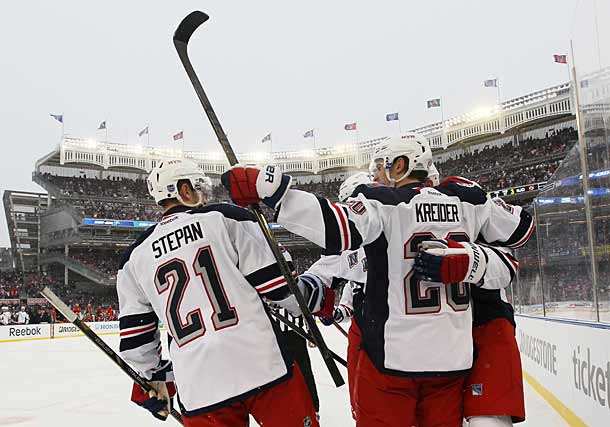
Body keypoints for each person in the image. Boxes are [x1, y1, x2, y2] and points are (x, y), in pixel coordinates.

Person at [222, 132, 534, 427]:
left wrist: (273, 191)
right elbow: (521, 229)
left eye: (382, 167)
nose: (377, 176)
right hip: (451, 359)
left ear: (401, 164)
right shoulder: (467, 197)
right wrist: (471, 255)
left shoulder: (384, 202)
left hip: (394, 359)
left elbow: (336, 227)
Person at [117, 159, 331, 427]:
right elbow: (282, 290)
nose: (204, 195)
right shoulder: (226, 217)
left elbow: (136, 343)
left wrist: (154, 378)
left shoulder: (133, 258)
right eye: (198, 187)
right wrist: (319, 297)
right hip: (263, 366)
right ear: (184, 190)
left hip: (200, 388)